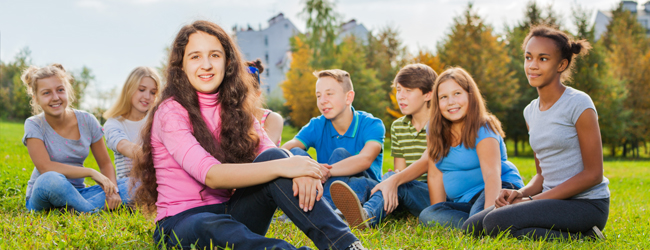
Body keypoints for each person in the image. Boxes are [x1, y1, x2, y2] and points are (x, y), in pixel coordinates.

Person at [130, 20, 364, 250]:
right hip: (182, 224)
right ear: (181, 65)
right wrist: (286, 166)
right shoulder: (170, 111)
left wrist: (297, 168)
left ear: (228, 62)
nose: (206, 64)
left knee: (276, 157)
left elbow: (271, 153)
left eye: (215, 55)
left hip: (231, 213)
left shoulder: (234, 109)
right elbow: (210, 175)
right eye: (195, 57)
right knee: (211, 225)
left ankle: (347, 245)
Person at [462, 25, 610, 240]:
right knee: (471, 227)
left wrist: (532, 202)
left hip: (586, 205)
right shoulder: (530, 111)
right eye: (528, 57)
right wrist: (520, 193)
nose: (532, 66)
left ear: (562, 64)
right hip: (550, 201)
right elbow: (542, 175)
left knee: (495, 222)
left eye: (543, 59)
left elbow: (593, 175)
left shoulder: (579, 103)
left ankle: (586, 236)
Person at [329, 64, 437, 229]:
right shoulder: (398, 126)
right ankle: (341, 215)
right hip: (400, 190)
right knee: (362, 183)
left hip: (429, 194)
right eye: (398, 90)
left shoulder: (440, 125)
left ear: (428, 94)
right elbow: (399, 170)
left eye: (408, 91)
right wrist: (394, 177)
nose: (400, 96)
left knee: (393, 179)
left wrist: (394, 179)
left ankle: (366, 217)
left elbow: (425, 164)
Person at [417, 67, 524, 229]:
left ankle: (485, 222)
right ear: (437, 103)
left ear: (470, 95)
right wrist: (439, 211)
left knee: (480, 219)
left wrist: (490, 216)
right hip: (465, 202)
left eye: (457, 94)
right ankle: (474, 224)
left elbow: (491, 175)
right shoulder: (433, 128)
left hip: (497, 190)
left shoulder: (483, 126)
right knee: (427, 215)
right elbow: (435, 175)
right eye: (443, 97)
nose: (451, 101)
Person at [281, 69, 385, 228]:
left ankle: (319, 211)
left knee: (340, 153)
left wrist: (323, 170)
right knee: (295, 154)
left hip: (362, 187)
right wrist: (309, 169)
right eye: (318, 95)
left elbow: (365, 160)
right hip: (324, 186)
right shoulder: (317, 124)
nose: (322, 100)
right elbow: (286, 149)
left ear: (348, 97)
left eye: (329, 94)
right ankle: (317, 207)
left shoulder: (372, 124)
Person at [21, 64, 130, 213]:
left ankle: (75, 209)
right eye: (46, 93)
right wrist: (91, 172)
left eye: (60, 90)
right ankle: (91, 211)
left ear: (67, 91)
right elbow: (45, 167)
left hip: (79, 194)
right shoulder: (34, 124)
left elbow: (105, 164)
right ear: (36, 99)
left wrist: (112, 192)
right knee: (50, 179)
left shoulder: (87, 120)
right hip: (44, 194)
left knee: (135, 183)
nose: (55, 97)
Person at [103, 66, 161, 179]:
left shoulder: (157, 119)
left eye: (153, 92)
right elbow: (123, 145)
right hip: (128, 184)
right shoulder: (114, 123)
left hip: (156, 182)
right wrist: (156, 159)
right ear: (129, 89)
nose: (147, 97)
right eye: (141, 90)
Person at [247, 59, 283, 146]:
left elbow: (266, 152)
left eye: (245, 92)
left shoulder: (271, 118)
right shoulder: (224, 118)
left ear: (257, 94)